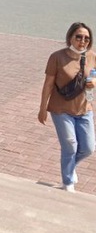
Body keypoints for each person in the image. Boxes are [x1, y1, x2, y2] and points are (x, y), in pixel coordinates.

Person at [38, 22, 96, 192]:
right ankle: (68, 182)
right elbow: (48, 84)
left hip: (84, 109)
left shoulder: (92, 56)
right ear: (70, 37)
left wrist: (94, 82)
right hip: (61, 109)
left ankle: (70, 167)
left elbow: (94, 75)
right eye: (78, 37)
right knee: (70, 145)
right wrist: (42, 108)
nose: (82, 41)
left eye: (86, 38)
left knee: (88, 148)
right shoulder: (57, 57)